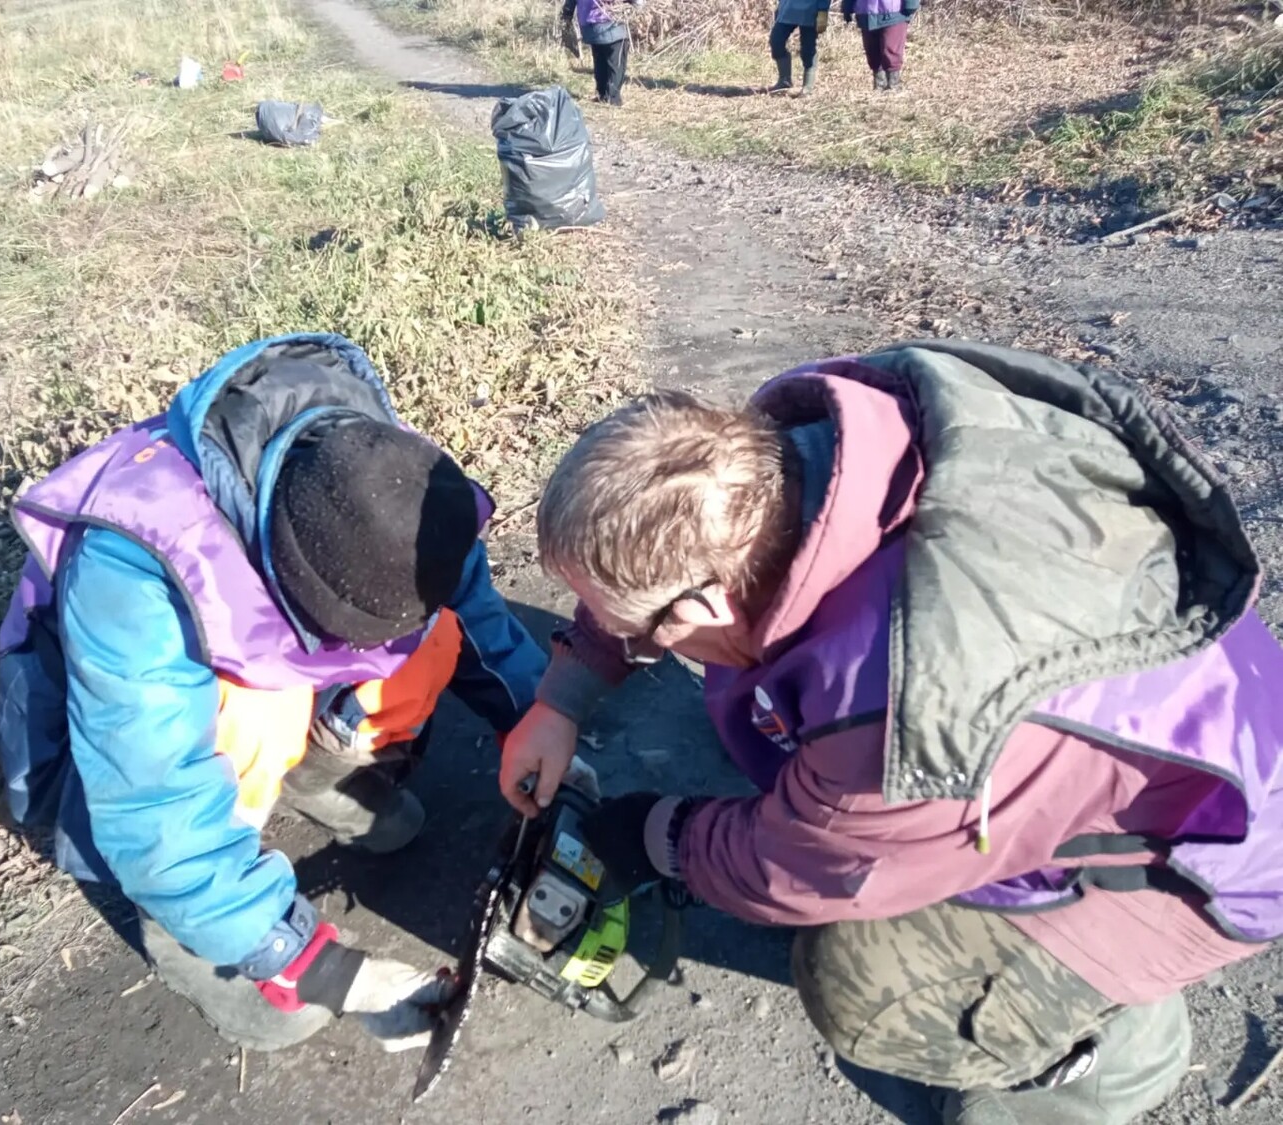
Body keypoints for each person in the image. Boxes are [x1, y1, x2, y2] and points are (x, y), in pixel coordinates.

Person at [501, 339, 1283, 1124]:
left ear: (702, 606)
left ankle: (1114, 1052)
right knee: (764, 712)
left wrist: (655, 834)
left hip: (1200, 862)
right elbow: (654, 550)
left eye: (629, 627)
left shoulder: (907, 716)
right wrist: (560, 700)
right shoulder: (797, 451)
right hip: (1184, 700)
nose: (621, 633)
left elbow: (799, 864)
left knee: (854, 982)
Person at [0, 333, 547, 1054]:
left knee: (436, 637)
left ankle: (320, 774)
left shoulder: (388, 471)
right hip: (116, 752)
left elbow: (473, 610)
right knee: (251, 720)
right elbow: (155, 809)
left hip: (264, 655)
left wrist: (541, 721)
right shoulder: (134, 572)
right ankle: (188, 936)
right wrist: (317, 967)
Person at [561, 0, 642, 106]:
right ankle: (613, 98)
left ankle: (602, 94)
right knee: (617, 64)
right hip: (612, 23)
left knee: (600, 60)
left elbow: (569, 5)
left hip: (589, 25)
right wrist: (637, 5)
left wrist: (567, 15)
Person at [843, 0, 918, 91]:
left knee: (891, 50)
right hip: (865, 11)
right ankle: (879, 86)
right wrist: (847, 6)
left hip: (895, 11)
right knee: (872, 51)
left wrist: (911, 3)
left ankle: (893, 86)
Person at [769, 0, 832, 93]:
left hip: (811, 10)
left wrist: (823, 9)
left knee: (808, 49)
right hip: (788, 7)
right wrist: (780, 5)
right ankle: (784, 81)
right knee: (776, 41)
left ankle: (808, 86)